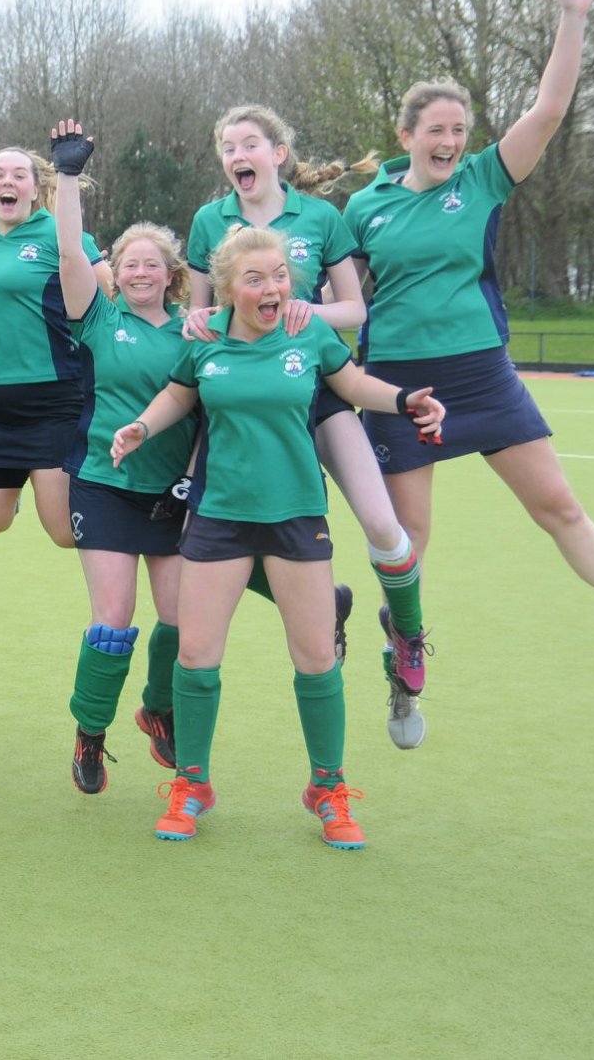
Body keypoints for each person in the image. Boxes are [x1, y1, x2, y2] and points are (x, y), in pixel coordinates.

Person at [344, 0, 594, 692]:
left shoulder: (485, 178)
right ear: (406, 135)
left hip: (482, 375)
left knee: (559, 507)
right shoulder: (363, 207)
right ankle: (405, 648)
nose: (451, 141)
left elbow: (548, 109)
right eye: (436, 130)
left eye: (459, 128)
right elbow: (347, 301)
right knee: (409, 537)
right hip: (398, 385)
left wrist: (573, 16)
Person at [111, 225, 446, 850]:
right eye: (256, 279)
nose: (273, 288)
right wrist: (141, 427)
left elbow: (353, 387)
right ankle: (192, 784)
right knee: (196, 655)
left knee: (317, 659)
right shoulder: (204, 339)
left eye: (281, 276)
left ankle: (328, 787)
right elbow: (177, 397)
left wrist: (406, 401)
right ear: (227, 290)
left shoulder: (308, 333)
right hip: (219, 516)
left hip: (296, 515)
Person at [185, 105, 436, 750]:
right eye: (227, 147)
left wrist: (304, 309)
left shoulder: (321, 218)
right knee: (204, 532)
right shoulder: (209, 221)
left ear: (279, 153)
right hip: (240, 399)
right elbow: (199, 318)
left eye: (249, 143)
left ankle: (406, 633)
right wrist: (195, 323)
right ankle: (328, 607)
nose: (237, 155)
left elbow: (355, 309)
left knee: (383, 526)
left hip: (317, 387)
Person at [45, 122, 196, 793]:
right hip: (103, 486)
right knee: (113, 621)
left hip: (171, 497)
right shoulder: (99, 317)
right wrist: (67, 178)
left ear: (171, 276)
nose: (138, 272)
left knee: (182, 621)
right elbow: (69, 254)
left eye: (151, 264)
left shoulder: (196, 333)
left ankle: (157, 709)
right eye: (129, 262)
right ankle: (91, 732)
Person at [0, 146, 110, 561]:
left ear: (36, 188)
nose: (7, 181)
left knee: (65, 531)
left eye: (18, 175)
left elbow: (107, 295)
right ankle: (7, 498)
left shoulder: (61, 234)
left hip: (56, 401)